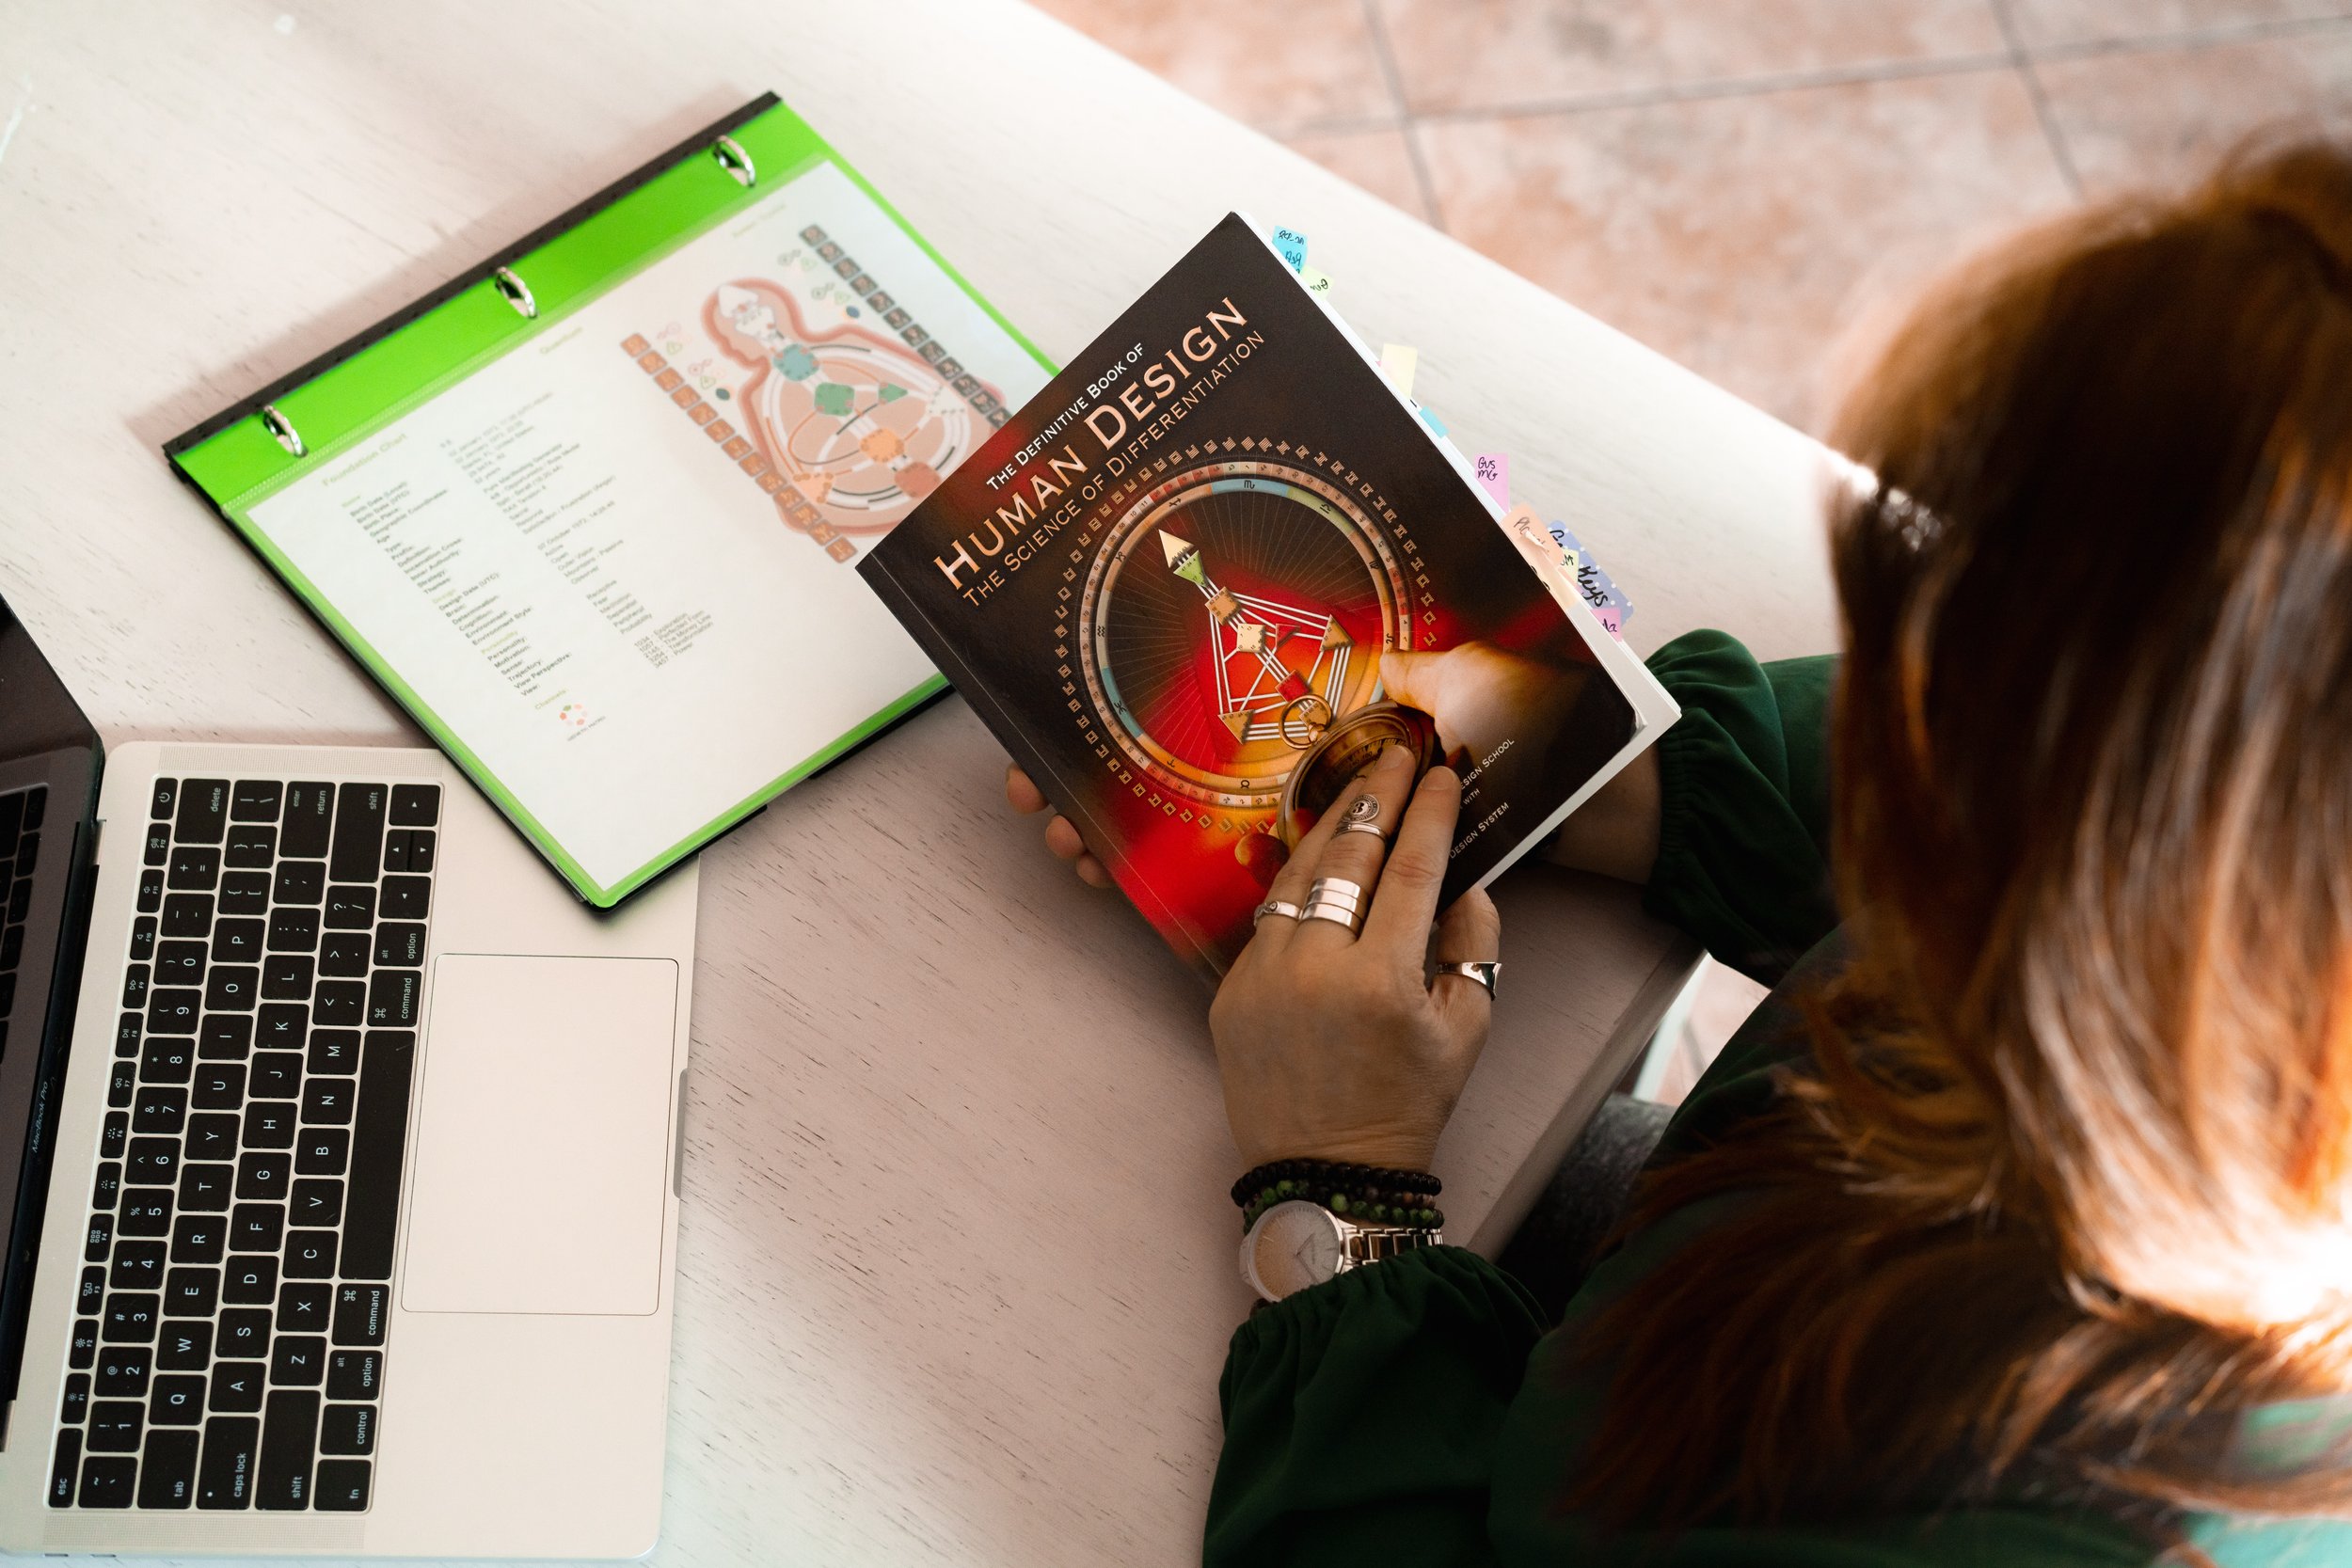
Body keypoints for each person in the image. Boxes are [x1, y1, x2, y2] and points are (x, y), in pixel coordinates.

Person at [1009, 139, 2352, 1566]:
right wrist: (1575, 766)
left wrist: (1340, 1199)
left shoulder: (2019, 1528)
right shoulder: (2252, 933)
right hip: (1698, 1271)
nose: (1920, 719)